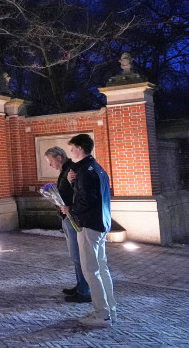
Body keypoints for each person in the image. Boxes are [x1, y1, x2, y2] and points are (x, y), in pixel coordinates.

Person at [60, 134, 117, 328]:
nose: (71, 152)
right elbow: (93, 194)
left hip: (89, 225)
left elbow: (86, 200)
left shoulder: (85, 171)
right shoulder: (96, 168)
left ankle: (102, 314)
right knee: (101, 268)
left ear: (80, 148)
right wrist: (73, 182)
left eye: (72, 148)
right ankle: (110, 309)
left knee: (90, 270)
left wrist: (70, 210)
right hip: (101, 223)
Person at [43, 147, 90, 303]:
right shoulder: (66, 170)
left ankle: (84, 291)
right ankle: (80, 286)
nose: (50, 165)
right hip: (67, 216)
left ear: (59, 157)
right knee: (75, 256)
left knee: (78, 255)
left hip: (72, 217)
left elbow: (80, 193)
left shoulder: (72, 170)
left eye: (51, 161)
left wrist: (70, 185)